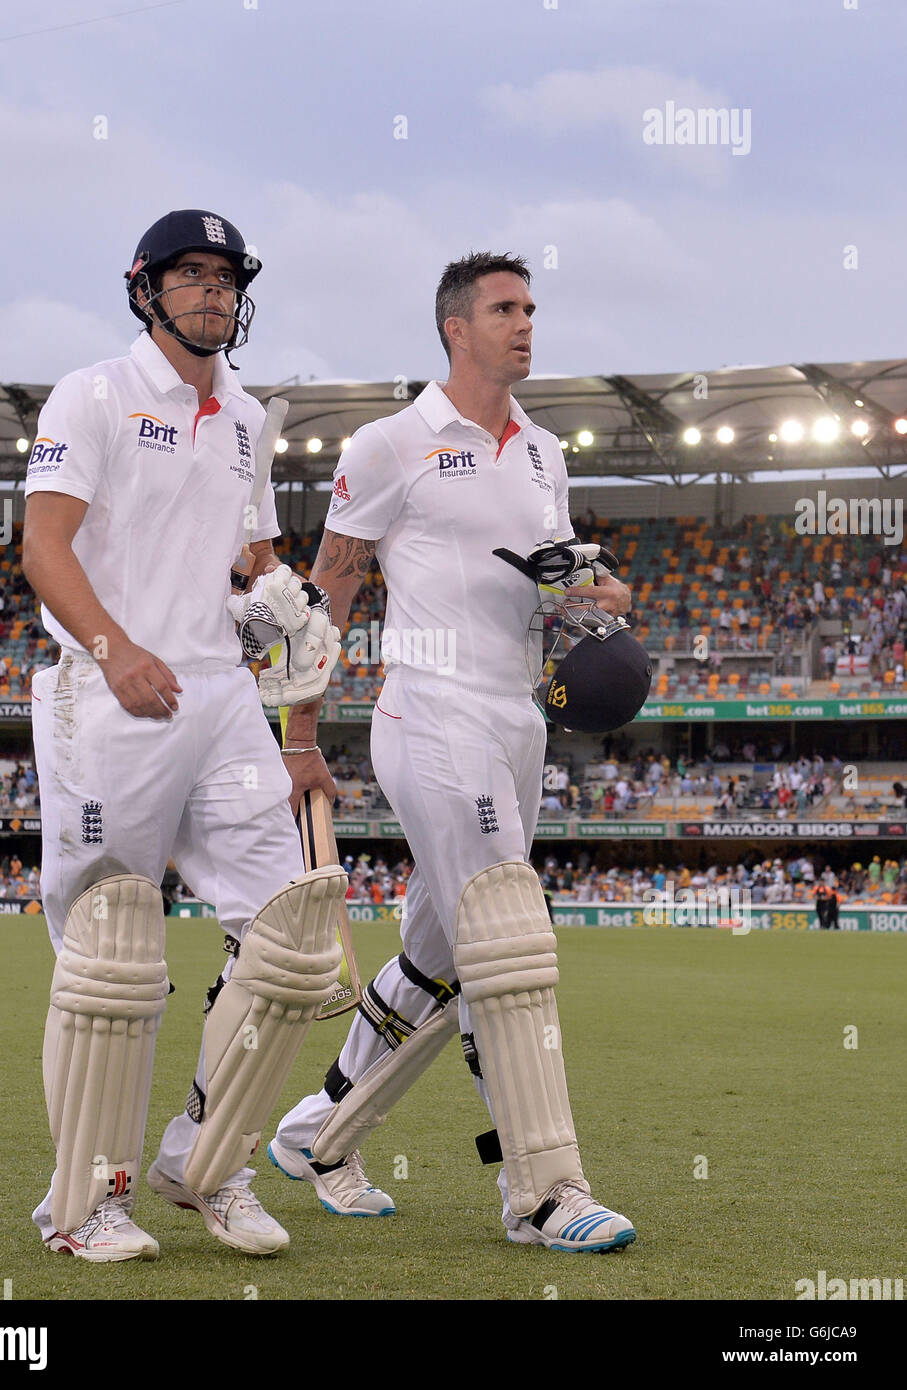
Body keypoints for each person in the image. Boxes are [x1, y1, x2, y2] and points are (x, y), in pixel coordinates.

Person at [268, 251, 637, 1252]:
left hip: (518, 719)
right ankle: (544, 1191)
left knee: (439, 955)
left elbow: (548, 580)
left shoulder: (544, 452)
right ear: (455, 329)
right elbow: (326, 592)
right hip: (428, 715)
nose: (525, 322)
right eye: (504, 308)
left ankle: (317, 1131)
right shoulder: (390, 444)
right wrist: (301, 737)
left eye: (531, 306)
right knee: (505, 942)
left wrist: (595, 600)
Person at [22, 209, 342, 1263]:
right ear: (145, 287)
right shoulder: (95, 393)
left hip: (218, 697)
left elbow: (255, 558)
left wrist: (287, 608)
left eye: (223, 276)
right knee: (114, 950)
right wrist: (116, 648)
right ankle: (83, 1201)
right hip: (111, 691)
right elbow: (44, 545)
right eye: (188, 274)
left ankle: (209, 1159)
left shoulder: (247, 415)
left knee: (289, 939)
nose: (210, 291)